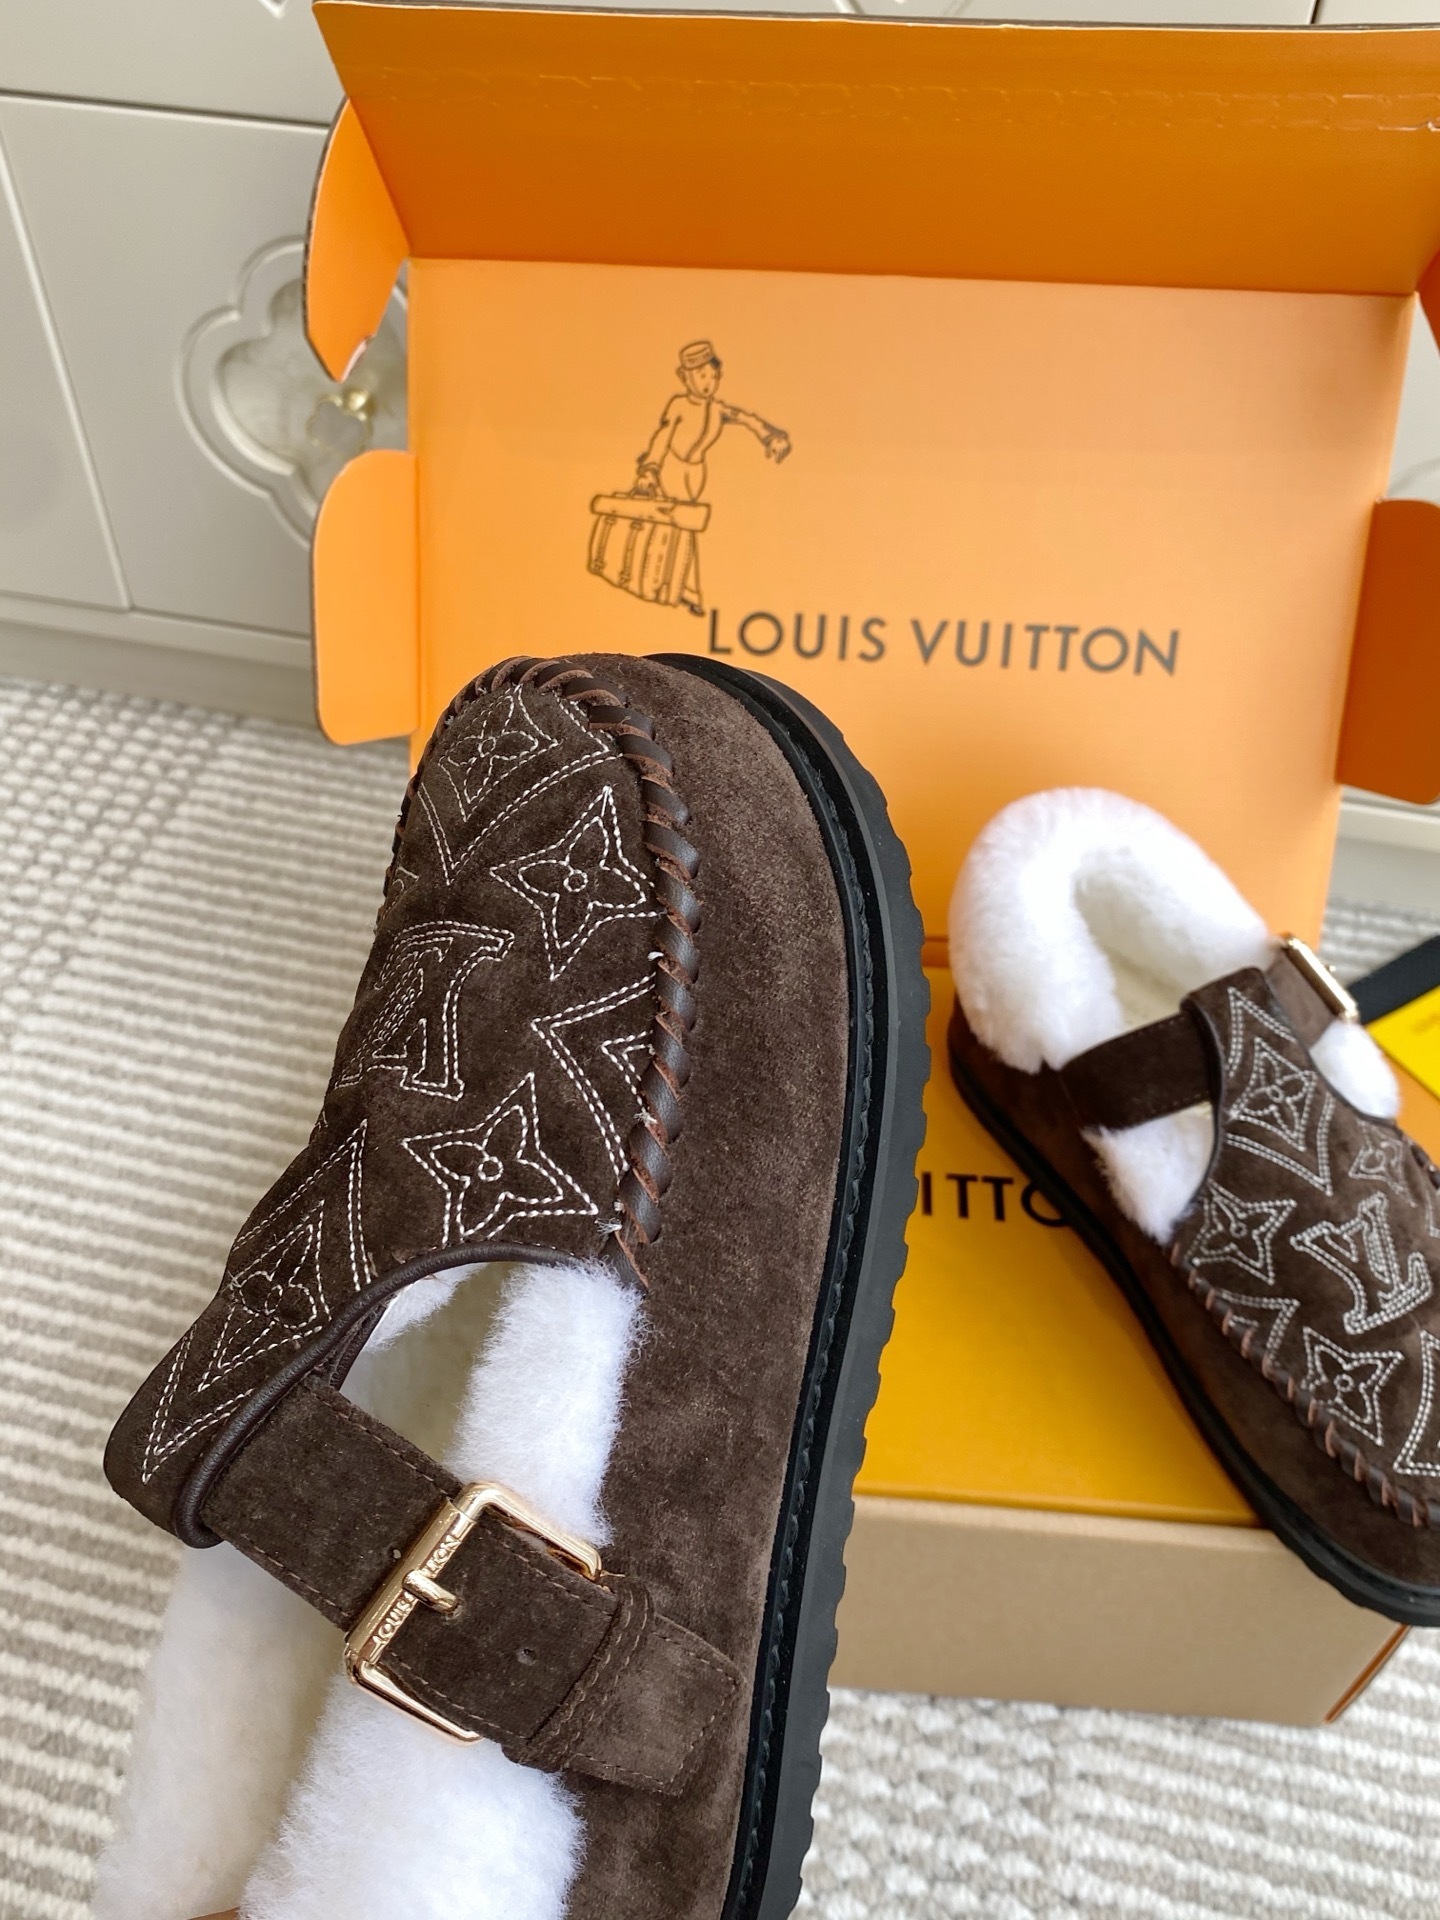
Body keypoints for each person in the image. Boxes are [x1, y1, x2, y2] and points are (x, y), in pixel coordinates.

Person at [632, 340, 791, 504]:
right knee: (672, 512)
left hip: (696, 470)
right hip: (672, 466)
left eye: (713, 375)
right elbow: (662, 437)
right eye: (702, 375)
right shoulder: (678, 405)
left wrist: (772, 438)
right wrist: (650, 470)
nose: (709, 382)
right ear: (684, 377)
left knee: (690, 513)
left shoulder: (717, 409)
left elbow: (747, 418)